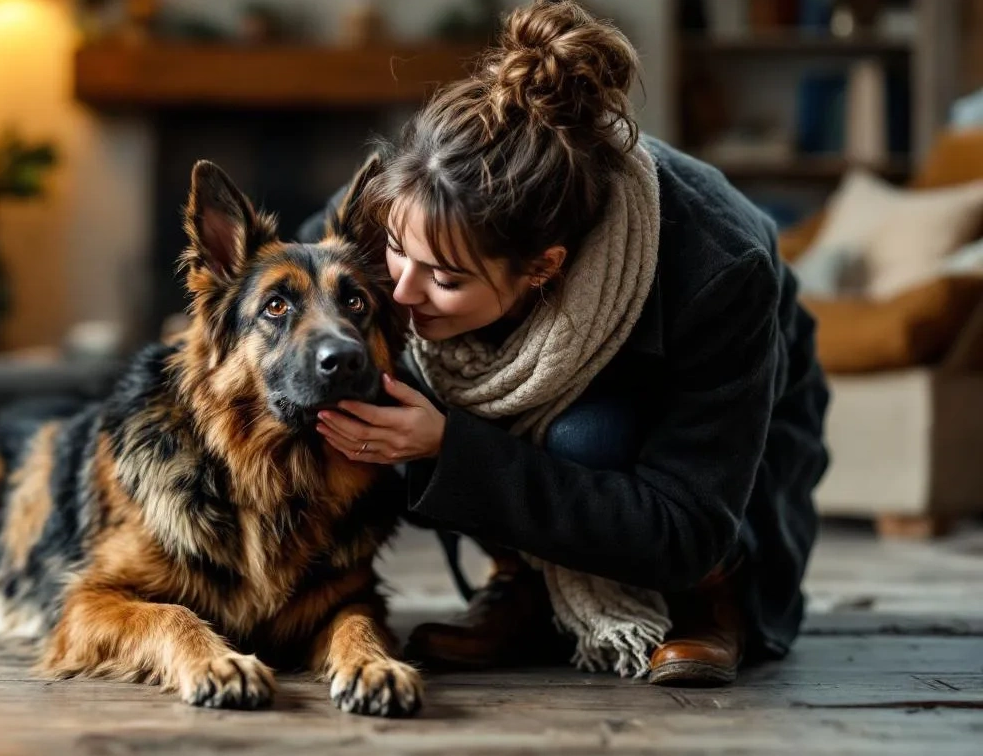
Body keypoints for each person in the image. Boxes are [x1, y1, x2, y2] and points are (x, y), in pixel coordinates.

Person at [297, 0, 828, 687]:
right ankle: (527, 581)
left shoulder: (719, 268)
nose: (400, 292)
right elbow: (293, 281)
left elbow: (685, 522)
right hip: (526, 398)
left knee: (586, 433)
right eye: (396, 250)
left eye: (446, 278)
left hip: (720, 453)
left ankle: (709, 594)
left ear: (544, 267)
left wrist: (447, 447)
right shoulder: (428, 187)